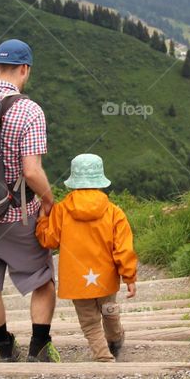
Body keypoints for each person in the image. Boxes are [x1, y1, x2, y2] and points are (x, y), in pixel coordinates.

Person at [0, 39, 58, 362]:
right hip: (19, 216)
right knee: (43, 281)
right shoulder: (29, 111)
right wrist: (48, 200)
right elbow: (31, 172)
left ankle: (5, 350)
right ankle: (39, 350)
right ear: (25, 69)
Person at [35, 154, 138, 362]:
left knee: (89, 321)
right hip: (105, 278)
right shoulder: (114, 212)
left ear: (73, 182)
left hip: (76, 280)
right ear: (100, 181)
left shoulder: (61, 210)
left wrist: (43, 220)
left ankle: (103, 357)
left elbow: (49, 241)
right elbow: (123, 249)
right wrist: (129, 277)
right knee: (109, 309)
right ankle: (115, 339)